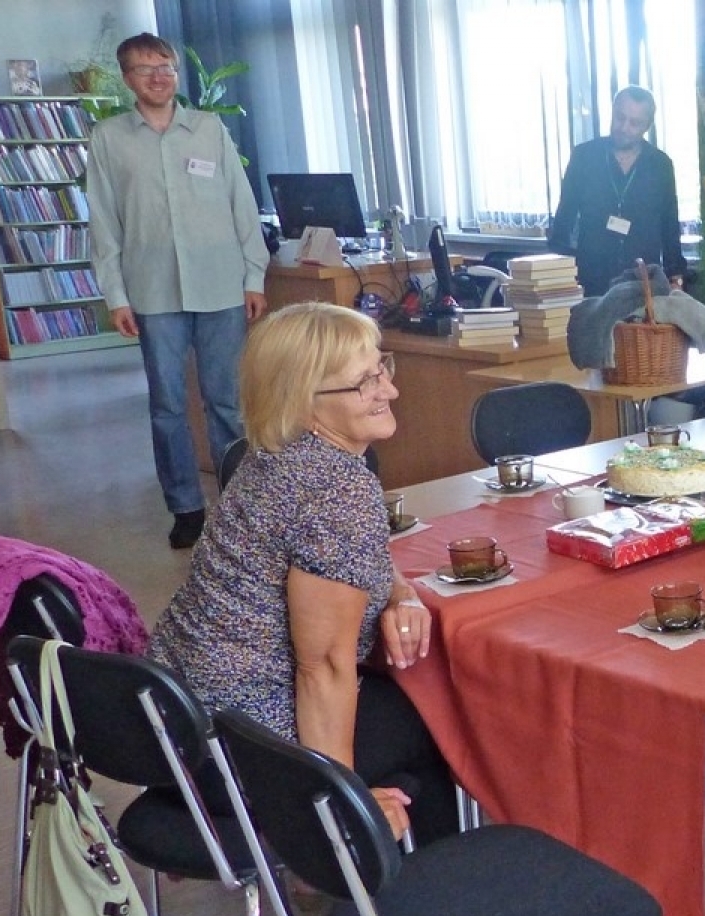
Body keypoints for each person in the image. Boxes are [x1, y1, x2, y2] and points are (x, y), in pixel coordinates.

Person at [148, 302, 457, 842]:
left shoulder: (270, 455)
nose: (389, 390)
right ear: (303, 401)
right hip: (242, 746)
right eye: (364, 382)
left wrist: (400, 596)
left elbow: (356, 562)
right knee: (445, 718)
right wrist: (339, 801)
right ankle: (368, 878)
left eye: (382, 367)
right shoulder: (335, 490)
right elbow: (325, 668)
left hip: (171, 721)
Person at [86, 32, 268, 550]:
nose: (159, 76)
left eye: (165, 66)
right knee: (167, 404)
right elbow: (103, 223)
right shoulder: (109, 139)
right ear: (128, 79)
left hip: (220, 286)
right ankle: (186, 506)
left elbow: (242, 204)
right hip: (153, 291)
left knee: (226, 402)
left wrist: (253, 276)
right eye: (146, 69)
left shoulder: (208, 129)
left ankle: (238, 506)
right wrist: (116, 295)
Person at [547, 87, 685, 295]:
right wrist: (558, 269)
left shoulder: (660, 165)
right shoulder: (584, 156)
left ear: (647, 126)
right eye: (620, 117)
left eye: (634, 122)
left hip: (642, 279)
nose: (624, 127)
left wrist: (676, 277)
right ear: (612, 112)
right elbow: (565, 216)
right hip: (591, 276)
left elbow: (669, 224)